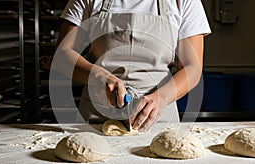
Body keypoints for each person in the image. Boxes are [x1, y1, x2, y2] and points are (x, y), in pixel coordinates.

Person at [54, 0, 211, 132]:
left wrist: (161, 98)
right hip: (96, 116)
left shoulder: (184, 1)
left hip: (157, 118)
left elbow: (193, 68)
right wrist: (97, 76)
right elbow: (62, 53)